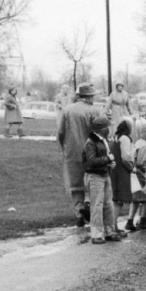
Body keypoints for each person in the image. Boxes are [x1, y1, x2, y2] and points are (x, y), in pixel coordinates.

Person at [57, 84, 101, 227]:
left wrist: (64, 146)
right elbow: (101, 131)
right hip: (91, 152)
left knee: (75, 183)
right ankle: (90, 208)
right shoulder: (94, 110)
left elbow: (60, 132)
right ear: (88, 97)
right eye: (92, 96)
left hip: (72, 150)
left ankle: (79, 212)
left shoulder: (67, 110)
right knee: (92, 180)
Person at [83, 116, 121, 244]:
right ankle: (96, 234)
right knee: (97, 206)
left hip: (105, 174)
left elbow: (105, 157)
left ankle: (109, 231)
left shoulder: (103, 140)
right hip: (95, 176)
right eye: (108, 127)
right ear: (102, 129)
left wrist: (110, 164)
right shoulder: (90, 142)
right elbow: (91, 161)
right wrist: (108, 160)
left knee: (108, 204)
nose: (110, 129)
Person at [125, 119, 146, 232]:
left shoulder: (138, 142)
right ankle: (143, 220)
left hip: (134, 175)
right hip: (141, 176)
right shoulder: (145, 145)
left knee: (135, 200)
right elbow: (141, 162)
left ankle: (130, 221)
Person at [110, 117, 134, 237]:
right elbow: (126, 156)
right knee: (119, 199)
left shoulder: (115, 137)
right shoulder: (125, 139)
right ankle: (113, 226)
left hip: (114, 169)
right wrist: (131, 166)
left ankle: (113, 225)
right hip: (122, 170)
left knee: (115, 198)